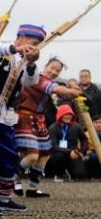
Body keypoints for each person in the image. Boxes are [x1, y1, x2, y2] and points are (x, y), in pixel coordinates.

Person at [0, 24, 42, 212]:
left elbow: (30, 81)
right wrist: (15, 49)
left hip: (5, 114)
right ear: (20, 37)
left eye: (38, 44)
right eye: (33, 42)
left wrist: (30, 63)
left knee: (10, 153)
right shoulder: (2, 49)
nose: (34, 46)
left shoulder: (24, 60)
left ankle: (4, 198)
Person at [15, 57, 82, 198]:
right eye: (52, 68)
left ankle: (33, 188)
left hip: (39, 119)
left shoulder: (52, 82)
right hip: (26, 117)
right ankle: (13, 179)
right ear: (46, 66)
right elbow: (55, 89)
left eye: (57, 70)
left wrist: (73, 88)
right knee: (32, 156)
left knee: (45, 154)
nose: (54, 72)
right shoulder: (37, 78)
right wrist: (70, 90)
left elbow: (60, 89)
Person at [46, 104, 87, 180]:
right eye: (65, 114)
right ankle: (59, 174)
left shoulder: (77, 126)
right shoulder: (52, 128)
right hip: (58, 153)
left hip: (74, 153)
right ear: (60, 115)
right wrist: (69, 152)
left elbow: (84, 139)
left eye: (70, 115)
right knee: (58, 157)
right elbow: (53, 145)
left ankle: (71, 173)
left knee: (80, 175)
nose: (68, 116)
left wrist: (82, 151)